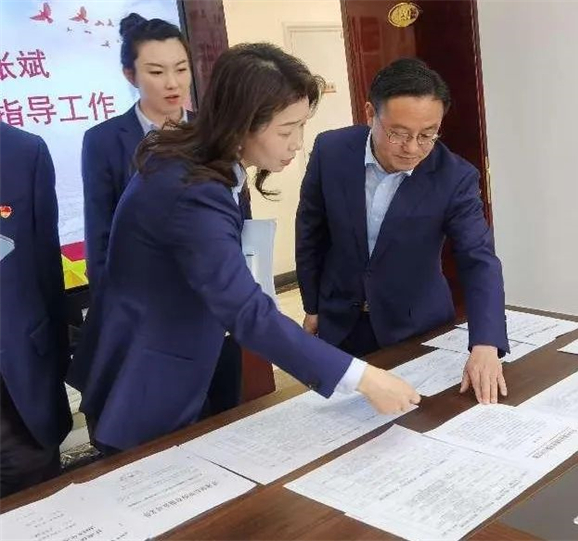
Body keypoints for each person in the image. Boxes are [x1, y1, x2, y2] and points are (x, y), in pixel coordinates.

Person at [67, 43, 420, 454]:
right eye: (286, 131)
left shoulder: (200, 163)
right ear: (242, 123)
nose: (297, 144)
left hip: (175, 355)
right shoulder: (193, 190)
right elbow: (245, 310)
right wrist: (363, 378)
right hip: (146, 377)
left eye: (301, 127)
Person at [296, 58, 509, 405]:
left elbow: (478, 259)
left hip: (416, 329)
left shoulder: (454, 177)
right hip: (339, 325)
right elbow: (310, 231)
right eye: (398, 133)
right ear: (370, 113)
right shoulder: (330, 151)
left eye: (427, 135)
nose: (412, 148)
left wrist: (486, 343)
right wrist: (313, 305)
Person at [81, 13, 247, 415]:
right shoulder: (104, 141)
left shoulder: (216, 133)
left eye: (181, 68)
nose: (173, 83)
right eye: (156, 72)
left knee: (225, 417)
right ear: (130, 75)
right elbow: (101, 240)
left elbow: (236, 222)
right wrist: (120, 322)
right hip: (149, 325)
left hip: (215, 311)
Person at [0, 123, 72, 496]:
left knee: (41, 502)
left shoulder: (23, 151)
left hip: (17, 390)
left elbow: (46, 267)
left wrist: (57, 361)